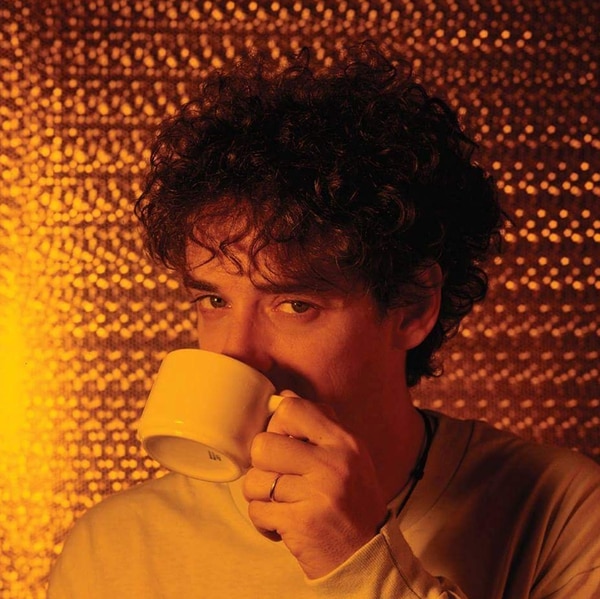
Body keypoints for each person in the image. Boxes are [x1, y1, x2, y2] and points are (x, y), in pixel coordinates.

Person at [48, 44, 600, 598]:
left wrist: (356, 556)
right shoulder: (113, 547)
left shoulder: (566, 510)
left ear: (412, 307)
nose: (236, 353)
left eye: (294, 305)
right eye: (214, 301)